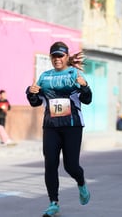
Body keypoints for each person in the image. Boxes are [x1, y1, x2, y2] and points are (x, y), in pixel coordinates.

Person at [26, 41, 92, 217]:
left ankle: (81, 182)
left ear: (66, 57)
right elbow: (36, 102)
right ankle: (53, 203)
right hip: (51, 127)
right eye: (54, 56)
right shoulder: (44, 77)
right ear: (50, 58)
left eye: (60, 56)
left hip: (72, 126)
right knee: (50, 165)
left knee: (71, 166)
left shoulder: (74, 74)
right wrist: (30, 92)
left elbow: (87, 100)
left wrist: (85, 87)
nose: (57, 59)